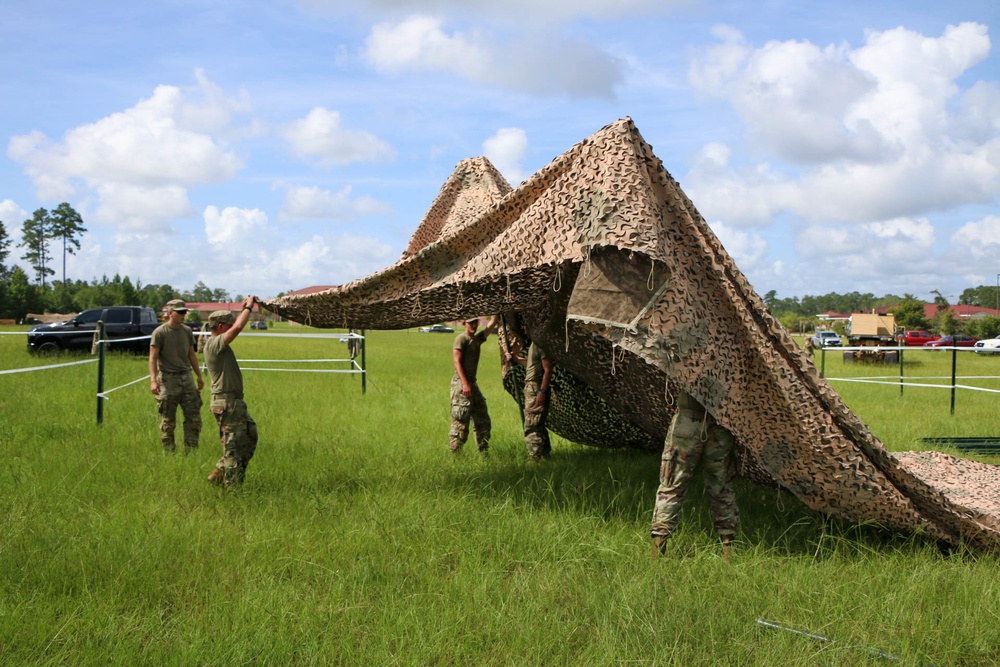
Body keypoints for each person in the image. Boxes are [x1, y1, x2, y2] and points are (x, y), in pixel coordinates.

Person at [651, 390, 739, 557]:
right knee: (721, 485)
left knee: (672, 483)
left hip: (689, 421)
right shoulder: (736, 365)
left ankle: (656, 557)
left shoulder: (690, 363)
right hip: (722, 421)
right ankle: (728, 555)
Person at [204, 296, 259, 487]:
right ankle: (232, 491)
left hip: (234, 403)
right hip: (225, 403)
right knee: (233, 449)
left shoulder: (219, 345)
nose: (231, 327)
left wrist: (244, 308)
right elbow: (237, 329)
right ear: (220, 326)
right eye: (228, 324)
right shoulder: (214, 344)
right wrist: (249, 308)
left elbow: (234, 327)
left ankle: (220, 471)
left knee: (250, 436)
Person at [149, 299, 204, 453]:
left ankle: (191, 450)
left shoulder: (187, 331)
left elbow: (191, 354)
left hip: (187, 378)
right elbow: (153, 358)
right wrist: (153, 381)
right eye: (180, 312)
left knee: (193, 417)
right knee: (168, 419)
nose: (183, 315)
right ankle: (169, 452)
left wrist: (199, 375)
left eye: (184, 312)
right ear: (170, 313)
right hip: (168, 379)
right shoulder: (160, 333)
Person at [450, 315, 499, 455]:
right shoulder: (461, 339)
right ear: (464, 323)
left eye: (475, 323)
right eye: (470, 323)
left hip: (472, 383)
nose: (473, 326)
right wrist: (465, 384)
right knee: (461, 420)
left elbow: (490, 326)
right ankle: (456, 454)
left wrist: (495, 316)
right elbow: (456, 362)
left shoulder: (476, 339)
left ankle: (484, 451)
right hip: (461, 383)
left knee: (482, 418)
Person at [510, 341, 554, 461]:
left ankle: (534, 458)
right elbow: (532, 365)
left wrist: (542, 391)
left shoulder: (541, 345)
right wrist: (517, 359)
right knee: (538, 423)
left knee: (531, 424)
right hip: (533, 387)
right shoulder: (534, 345)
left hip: (536, 387)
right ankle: (545, 455)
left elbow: (548, 369)